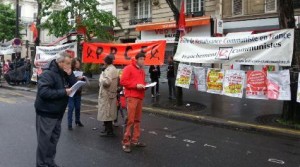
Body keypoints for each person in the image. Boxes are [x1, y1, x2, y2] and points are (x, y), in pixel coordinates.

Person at [34, 52, 73, 167]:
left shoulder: (63, 73)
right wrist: (63, 92)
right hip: (46, 113)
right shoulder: (48, 73)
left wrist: (70, 74)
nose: (69, 66)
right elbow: (44, 92)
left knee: (53, 140)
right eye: (67, 63)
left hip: (57, 113)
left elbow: (74, 83)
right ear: (60, 63)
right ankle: (41, 164)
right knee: (44, 141)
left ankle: (49, 162)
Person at [120, 53, 147, 153]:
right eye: (141, 59)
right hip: (132, 97)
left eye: (144, 59)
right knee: (130, 120)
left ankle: (135, 140)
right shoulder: (128, 68)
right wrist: (136, 85)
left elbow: (142, 83)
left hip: (139, 97)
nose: (143, 61)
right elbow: (123, 81)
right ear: (136, 60)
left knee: (137, 120)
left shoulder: (142, 71)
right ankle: (126, 142)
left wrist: (145, 86)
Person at [97, 55, 119, 137]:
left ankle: (109, 131)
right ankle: (107, 129)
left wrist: (101, 77)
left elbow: (106, 82)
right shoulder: (112, 68)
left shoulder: (109, 70)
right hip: (110, 94)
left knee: (107, 113)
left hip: (107, 94)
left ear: (106, 62)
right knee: (107, 112)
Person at [67, 58, 85, 130]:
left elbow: (81, 82)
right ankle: (69, 124)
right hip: (71, 92)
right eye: (77, 63)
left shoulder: (80, 71)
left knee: (78, 107)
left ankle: (77, 121)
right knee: (71, 108)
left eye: (79, 63)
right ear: (74, 64)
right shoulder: (70, 71)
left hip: (78, 92)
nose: (79, 64)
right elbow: (69, 81)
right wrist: (77, 78)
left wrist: (83, 79)